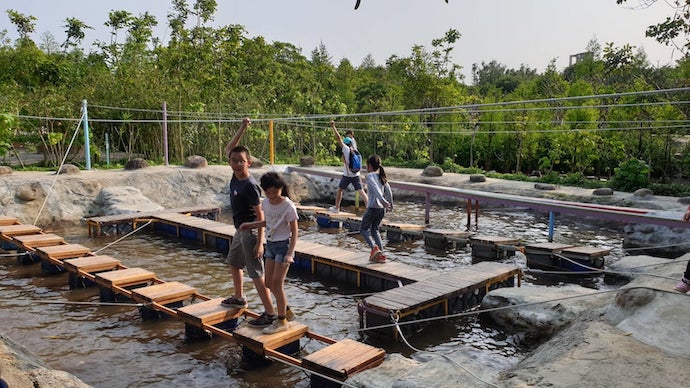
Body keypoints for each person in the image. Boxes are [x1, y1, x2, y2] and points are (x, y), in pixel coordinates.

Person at [220, 117, 277, 328]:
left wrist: (260, 242)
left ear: (248, 163)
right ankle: (239, 297)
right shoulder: (235, 175)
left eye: (241, 161)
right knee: (234, 263)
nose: (236, 164)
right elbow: (230, 147)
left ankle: (270, 313)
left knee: (256, 274)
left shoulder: (250, 185)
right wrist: (242, 127)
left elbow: (261, 215)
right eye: (233, 161)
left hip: (251, 233)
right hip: (240, 230)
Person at [239, 172, 299, 333]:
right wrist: (251, 225)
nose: (272, 196)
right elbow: (270, 221)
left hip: (283, 246)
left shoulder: (288, 206)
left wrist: (290, 253)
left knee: (278, 284)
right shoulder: (266, 203)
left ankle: (281, 322)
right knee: (268, 284)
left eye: (274, 192)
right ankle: (285, 311)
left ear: (281, 188)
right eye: (268, 192)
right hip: (271, 245)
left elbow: (295, 232)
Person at [329, 120, 368, 213]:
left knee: (340, 190)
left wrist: (333, 127)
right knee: (361, 191)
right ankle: (369, 208)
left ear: (345, 143)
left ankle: (336, 208)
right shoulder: (355, 149)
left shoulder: (346, 149)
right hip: (356, 174)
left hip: (347, 175)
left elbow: (338, 137)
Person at [360, 154, 393, 263]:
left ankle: (374, 248)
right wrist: (390, 204)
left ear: (369, 165)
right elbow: (388, 191)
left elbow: (375, 189)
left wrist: (383, 201)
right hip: (381, 210)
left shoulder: (369, 176)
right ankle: (381, 255)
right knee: (374, 229)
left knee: (363, 229)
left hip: (373, 207)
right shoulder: (381, 176)